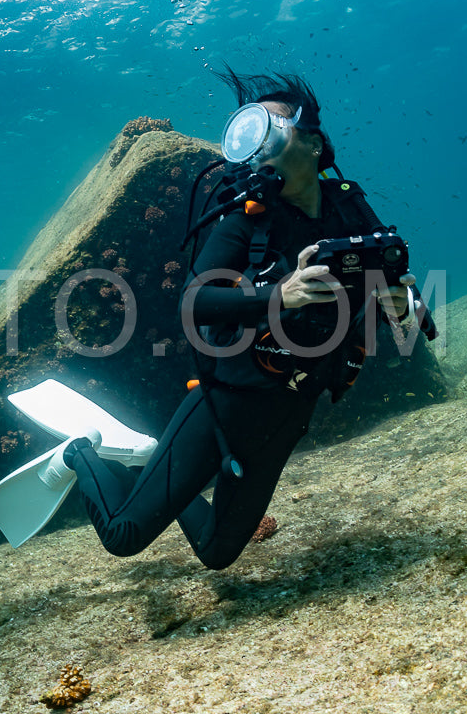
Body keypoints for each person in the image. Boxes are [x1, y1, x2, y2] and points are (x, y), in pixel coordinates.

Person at [61, 69, 423, 570]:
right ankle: (79, 453)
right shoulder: (245, 218)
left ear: (313, 142)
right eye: (251, 133)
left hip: (289, 413)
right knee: (124, 535)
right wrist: (281, 294)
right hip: (224, 403)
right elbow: (194, 303)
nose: (259, 142)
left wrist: (404, 306)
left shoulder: (350, 209)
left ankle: (151, 468)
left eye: (272, 128)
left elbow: (394, 280)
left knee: (217, 554)